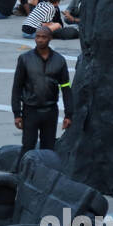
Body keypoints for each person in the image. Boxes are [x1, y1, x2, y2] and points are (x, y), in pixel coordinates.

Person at [12, 26, 74, 154]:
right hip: (30, 111)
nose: (40, 40)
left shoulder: (60, 60)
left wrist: (69, 114)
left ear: (50, 39)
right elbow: (17, 87)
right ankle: (23, 173)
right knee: (28, 146)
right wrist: (17, 114)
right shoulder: (24, 59)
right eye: (37, 36)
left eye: (43, 37)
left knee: (48, 148)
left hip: (50, 111)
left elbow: (66, 88)